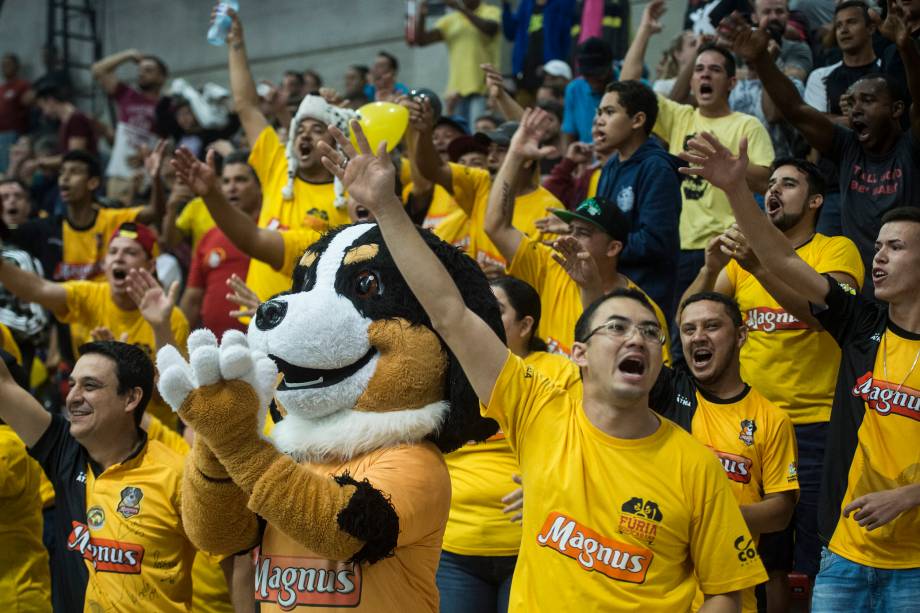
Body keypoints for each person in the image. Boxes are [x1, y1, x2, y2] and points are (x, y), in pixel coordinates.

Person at [318, 119, 767, 612]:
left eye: (649, 332)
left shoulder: (695, 464)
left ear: (661, 360)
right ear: (578, 354)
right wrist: (386, 207)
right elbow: (449, 312)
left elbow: (727, 591)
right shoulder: (538, 408)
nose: (635, 337)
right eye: (615, 328)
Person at [678, 129, 920, 613]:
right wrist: (733, 189)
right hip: (846, 555)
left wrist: (910, 496)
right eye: (878, 246)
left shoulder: (837, 257)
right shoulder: (860, 325)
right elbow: (781, 257)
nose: (879, 256)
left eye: (895, 248)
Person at [680, 158, 865, 601]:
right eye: (771, 184)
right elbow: (687, 318)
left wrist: (761, 267)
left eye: (789, 183)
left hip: (818, 425)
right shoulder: (742, 261)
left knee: (817, 555)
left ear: (816, 200)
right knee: (769, 564)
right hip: (751, 428)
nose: (773, 192)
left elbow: (823, 315)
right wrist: (709, 269)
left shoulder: (835, 250)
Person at [718, 3, 920, 291]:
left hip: (911, 285)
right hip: (862, 287)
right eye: (853, 101)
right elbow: (796, 110)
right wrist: (762, 60)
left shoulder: (912, 146)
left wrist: (905, 47)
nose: (856, 109)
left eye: (868, 101)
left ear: (897, 109)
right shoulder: (849, 146)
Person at [0, 340, 196, 611]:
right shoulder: (62, 452)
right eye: (72, 384)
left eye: (89, 386)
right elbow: (3, 387)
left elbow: (233, 559)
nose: (72, 397)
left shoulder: (177, 474)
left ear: (131, 398)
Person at [621, 6, 774, 320]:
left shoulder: (747, 125)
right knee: (674, 332)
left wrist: (729, 166)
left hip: (722, 248)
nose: (705, 74)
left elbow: (766, 181)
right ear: (690, 82)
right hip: (675, 247)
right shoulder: (680, 116)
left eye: (715, 70)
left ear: (732, 82)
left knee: (713, 328)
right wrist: (645, 31)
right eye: (699, 69)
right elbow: (628, 89)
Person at [438, 275, 580, 613]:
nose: (482, 315)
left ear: (525, 324)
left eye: (496, 309)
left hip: (532, 543)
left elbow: (581, 446)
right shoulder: (446, 369)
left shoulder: (560, 372)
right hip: (455, 546)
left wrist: (548, 484)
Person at [482, 107, 672, 360]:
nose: (570, 238)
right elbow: (496, 226)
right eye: (570, 230)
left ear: (613, 248)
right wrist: (515, 156)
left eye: (582, 233)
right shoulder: (551, 267)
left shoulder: (640, 311)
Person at [650, 292, 799, 613]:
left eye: (712, 326)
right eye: (688, 330)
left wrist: (707, 519)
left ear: (741, 336)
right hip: (658, 587)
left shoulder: (772, 419)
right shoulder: (667, 392)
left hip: (734, 590)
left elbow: (781, 511)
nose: (698, 337)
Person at [221, 6, 353, 301]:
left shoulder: (350, 193)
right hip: (251, 323)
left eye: (317, 129)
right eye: (300, 128)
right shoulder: (277, 165)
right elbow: (246, 105)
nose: (305, 134)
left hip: (307, 334)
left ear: (334, 140)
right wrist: (236, 44)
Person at [0, 221, 189, 424]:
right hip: (94, 431)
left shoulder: (172, 319)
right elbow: (38, 290)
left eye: (130, 253)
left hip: (153, 437)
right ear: (105, 262)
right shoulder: (90, 295)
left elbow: (172, 398)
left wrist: (123, 365)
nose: (119, 258)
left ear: (151, 265)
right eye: (113, 251)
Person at [409, 101, 563, 273]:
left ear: (528, 160)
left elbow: (550, 272)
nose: (490, 158)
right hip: (479, 296)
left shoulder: (549, 209)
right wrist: (424, 133)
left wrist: (506, 277)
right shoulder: (480, 182)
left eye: (502, 150)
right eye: (490, 150)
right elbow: (432, 169)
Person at [593, 79, 683, 320]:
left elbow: (655, 241)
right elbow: (597, 221)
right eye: (599, 112)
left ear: (638, 120)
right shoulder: (611, 164)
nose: (600, 120)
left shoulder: (657, 168)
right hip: (611, 291)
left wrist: (599, 246)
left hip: (646, 298)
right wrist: (574, 228)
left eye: (610, 112)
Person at [10, 150, 161, 283]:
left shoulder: (113, 219)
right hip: (64, 313)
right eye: (62, 172)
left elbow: (156, 211)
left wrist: (155, 178)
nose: (65, 178)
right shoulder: (46, 228)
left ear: (93, 183)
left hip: (105, 310)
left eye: (74, 172)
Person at [180, 151, 260, 337]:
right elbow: (192, 299)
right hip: (215, 351)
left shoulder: (274, 232)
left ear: (260, 186)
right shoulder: (209, 237)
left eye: (240, 180)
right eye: (226, 181)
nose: (232, 188)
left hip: (264, 348)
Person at [91, 48, 167, 204]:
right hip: (119, 175)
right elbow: (97, 70)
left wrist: (149, 155)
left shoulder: (166, 105)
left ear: (162, 78)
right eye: (140, 70)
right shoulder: (128, 95)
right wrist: (128, 55)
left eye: (148, 70)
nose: (141, 73)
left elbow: (172, 143)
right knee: (117, 225)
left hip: (148, 179)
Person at [412, 0, 501, 128]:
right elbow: (421, 40)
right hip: (456, 92)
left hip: (483, 88)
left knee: (479, 136)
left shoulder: (490, 11)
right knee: (459, 136)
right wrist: (422, 15)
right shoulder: (450, 20)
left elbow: (490, 29)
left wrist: (460, 8)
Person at [804, 1, 880, 120]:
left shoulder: (887, 68)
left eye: (852, 22)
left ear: (870, 28)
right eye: (839, 25)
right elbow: (814, 122)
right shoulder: (820, 76)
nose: (843, 30)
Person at [502, 0, 578, 104]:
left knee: (548, 113)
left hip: (550, 76)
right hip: (524, 76)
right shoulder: (526, 3)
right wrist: (506, 6)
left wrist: (558, 67)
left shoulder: (564, 3)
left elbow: (567, 38)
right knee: (523, 116)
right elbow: (510, 33)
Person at [561, 37, 615, 145]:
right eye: (587, 76)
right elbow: (568, 133)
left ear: (610, 67)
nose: (592, 82)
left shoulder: (630, 86)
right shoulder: (574, 89)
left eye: (597, 76)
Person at [34, 83, 98, 157]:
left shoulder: (76, 119)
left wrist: (42, 162)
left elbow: (75, 156)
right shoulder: (66, 122)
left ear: (50, 101)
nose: (44, 113)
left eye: (43, 108)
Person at [0, 53, 33, 173]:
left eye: (8, 64)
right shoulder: (1, 88)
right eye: (2, 65)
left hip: (14, 133)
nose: (4, 68)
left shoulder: (22, 85)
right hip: (0, 133)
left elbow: (29, 104)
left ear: (16, 66)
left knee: (8, 166)